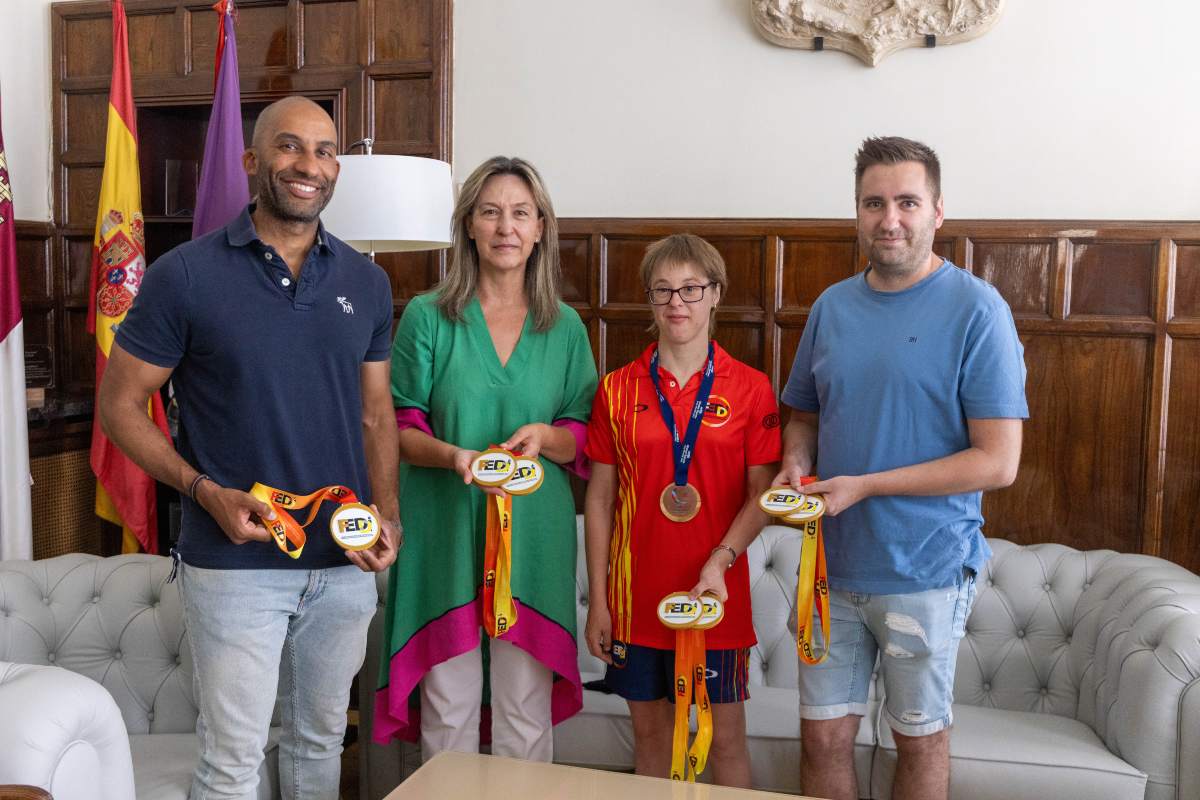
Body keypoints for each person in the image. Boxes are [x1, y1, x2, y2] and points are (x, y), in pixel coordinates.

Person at [97, 95, 401, 800]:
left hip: (343, 563)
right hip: (233, 566)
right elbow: (118, 407)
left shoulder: (367, 281)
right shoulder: (186, 275)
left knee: (320, 744)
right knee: (232, 762)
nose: (309, 165)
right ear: (251, 160)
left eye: (325, 151)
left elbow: (376, 415)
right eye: (290, 147)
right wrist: (204, 491)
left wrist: (389, 516)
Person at [777, 136, 1027, 800]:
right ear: (857, 212)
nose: (891, 218)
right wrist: (794, 463)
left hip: (926, 570)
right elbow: (802, 416)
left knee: (918, 741)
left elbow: (998, 462)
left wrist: (866, 485)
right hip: (828, 570)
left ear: (937, 211)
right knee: (823, 740)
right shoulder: (831, 307)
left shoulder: (979, 311)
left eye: (907, 202)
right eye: (875, 203)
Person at [374, 156, 598, 762]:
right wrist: (454, 456)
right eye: (491, 211)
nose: (506, 226)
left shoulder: (567, 327)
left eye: (520, 213)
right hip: (444, 523)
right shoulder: (428, 316)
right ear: (468, 225)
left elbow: (583, 433)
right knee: (448, 705)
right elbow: (400, 426)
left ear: (541, 227)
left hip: (534, 533)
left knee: (525, 708)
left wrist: (545, 438)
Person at [583, 234, 781, 787]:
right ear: (649, 300)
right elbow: (599, 498)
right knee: (651, 740)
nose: (678, 303)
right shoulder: (616, 389)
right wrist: (599, 602)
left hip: (714, 596)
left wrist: (720, 559)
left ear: (715, 294)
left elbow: (761, 493)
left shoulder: (751, 388)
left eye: (691, 289)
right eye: (664, 290)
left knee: (725, 742)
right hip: (635, 598)